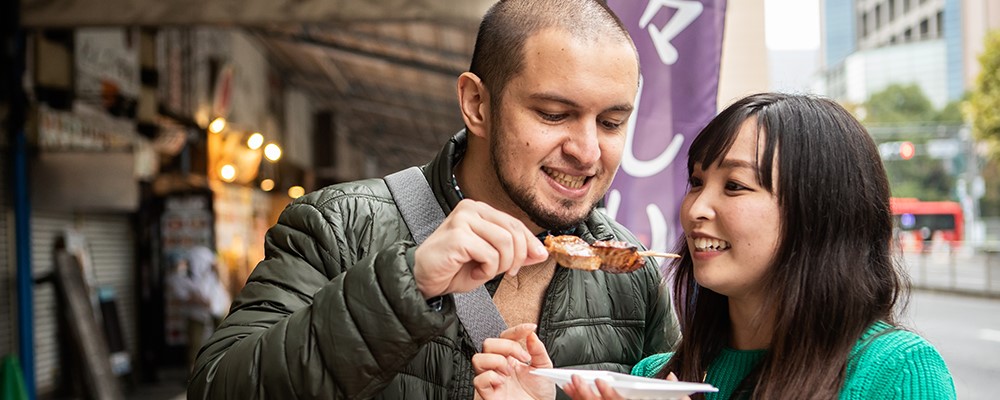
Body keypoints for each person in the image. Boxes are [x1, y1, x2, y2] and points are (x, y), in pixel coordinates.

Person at [187, 1, 681, 398]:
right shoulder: (337, 225)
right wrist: (409, 282)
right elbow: (217, 386)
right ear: (477, 104)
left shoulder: (633, 274)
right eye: (554, 114)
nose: (588, 151)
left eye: (612, 123)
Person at [471, 93, 957, 400]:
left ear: (819, 212)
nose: (697, 208)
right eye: (697, 181)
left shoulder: (896, 373)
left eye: (736, 186)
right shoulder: (656, 378)